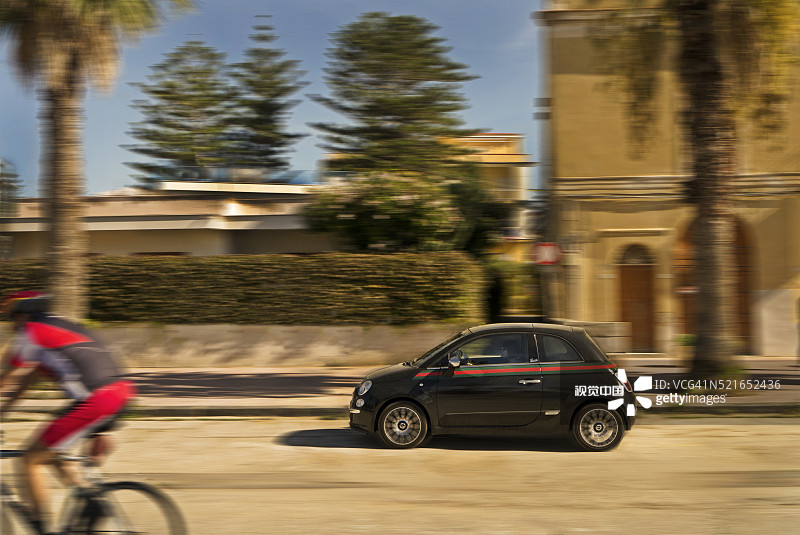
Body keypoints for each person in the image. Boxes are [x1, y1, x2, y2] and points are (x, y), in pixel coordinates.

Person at [0, 291, 135, 535]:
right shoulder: (55, 329)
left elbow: (6, 377)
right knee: (52, 449)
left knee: (30, 457)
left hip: (96, 400)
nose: (10, 324)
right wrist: (4, 410)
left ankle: (42, 526)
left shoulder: (31, 331)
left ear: (20, 315)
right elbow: (27, 380)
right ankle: (89, 500)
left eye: (10, 317)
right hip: (118, 393)